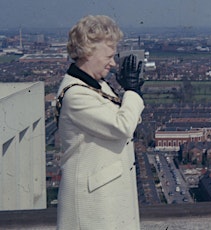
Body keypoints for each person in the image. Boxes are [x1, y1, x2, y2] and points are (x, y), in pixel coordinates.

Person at [56, 15, 144, 229]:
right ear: (88, 52)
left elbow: (129, 120)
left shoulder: (97, 86)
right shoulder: (75, 95)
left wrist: (129, 96)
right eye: (109, 56)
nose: (113, 63)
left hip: (108, 194)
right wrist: (132, 92)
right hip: (92, 200)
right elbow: (121, 126)